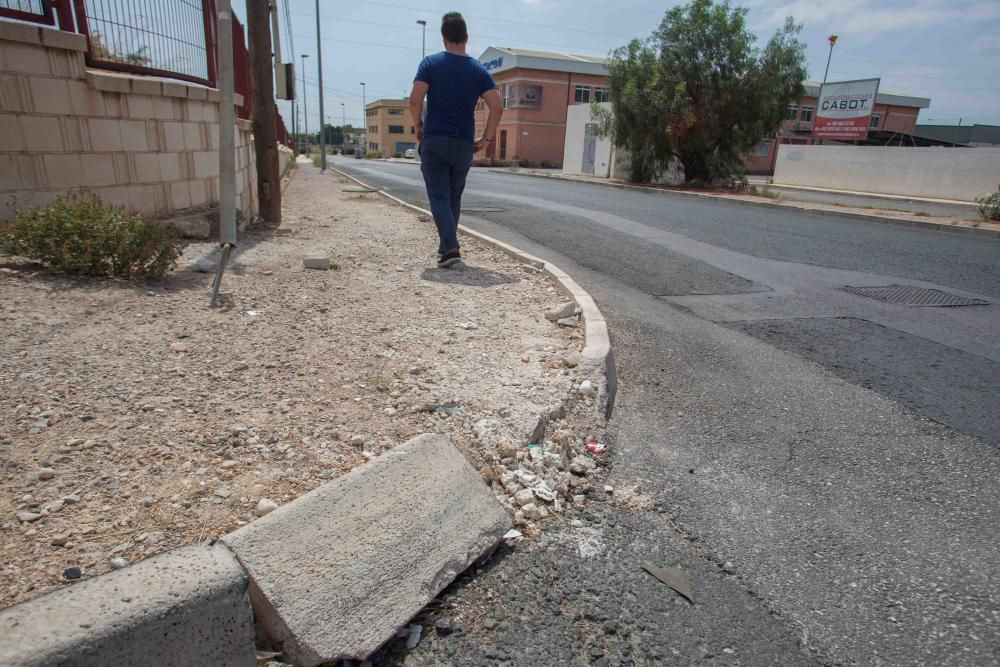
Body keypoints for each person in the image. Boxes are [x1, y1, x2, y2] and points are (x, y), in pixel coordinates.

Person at [409, 12, 503, 268]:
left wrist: (418, 124)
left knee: (439, 197)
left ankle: (451, 250)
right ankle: (445, 251)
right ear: (466, 38)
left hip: (436, 139)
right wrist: (486, 138)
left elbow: (415, 99)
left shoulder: (430, 64)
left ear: (443, 38)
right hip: (464, 144)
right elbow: (497, 105)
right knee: (453, 198)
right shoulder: (478, 70)